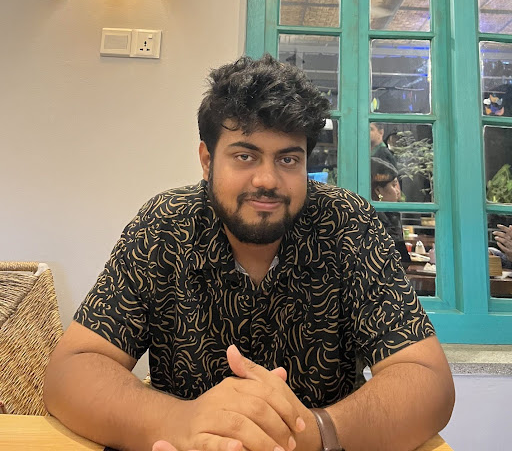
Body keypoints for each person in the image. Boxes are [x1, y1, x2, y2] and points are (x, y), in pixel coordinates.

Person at [44, 54, 454, 451]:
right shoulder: (166, 226)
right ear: (207, 160)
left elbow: (427, 381)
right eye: (245, 156)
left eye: (288, 159)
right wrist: (182, 421)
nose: (267, 180)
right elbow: (72, 370)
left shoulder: (347, 224)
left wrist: (314, 432)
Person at [371, 157, 411, 268]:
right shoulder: (378, 220)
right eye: (393, 185)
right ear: (378, 190)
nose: (398, 191)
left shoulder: (389, 214)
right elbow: (402, 260)